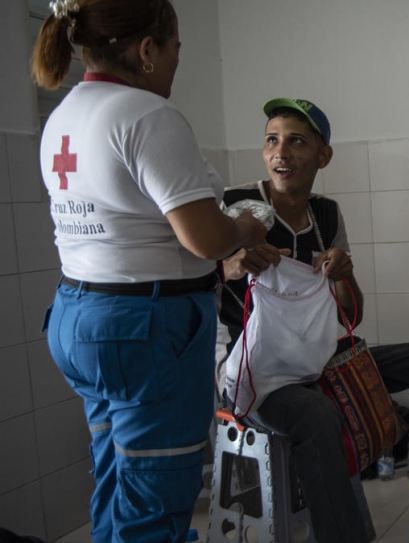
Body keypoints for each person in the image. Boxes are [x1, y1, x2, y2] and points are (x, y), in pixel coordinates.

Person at [32, 1, 267, 541]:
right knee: (157, 496)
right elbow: (207, 239)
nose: (176, 62)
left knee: (118, 477)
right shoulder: (145, 115)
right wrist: (249, 227)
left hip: (78, 320)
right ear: (146, 50)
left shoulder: (64, 115)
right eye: (176, 49)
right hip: (143, 332)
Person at [215, 98, 409, 540]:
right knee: (318, 414)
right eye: (271, 140)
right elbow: (189, 281)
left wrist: (344, 272)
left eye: (296, 141)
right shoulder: (236, 207)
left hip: (317, 359)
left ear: (323, 156)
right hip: (251, 374)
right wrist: (231, 267)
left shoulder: (325, 214)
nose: (280, 152)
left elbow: (351, 312)